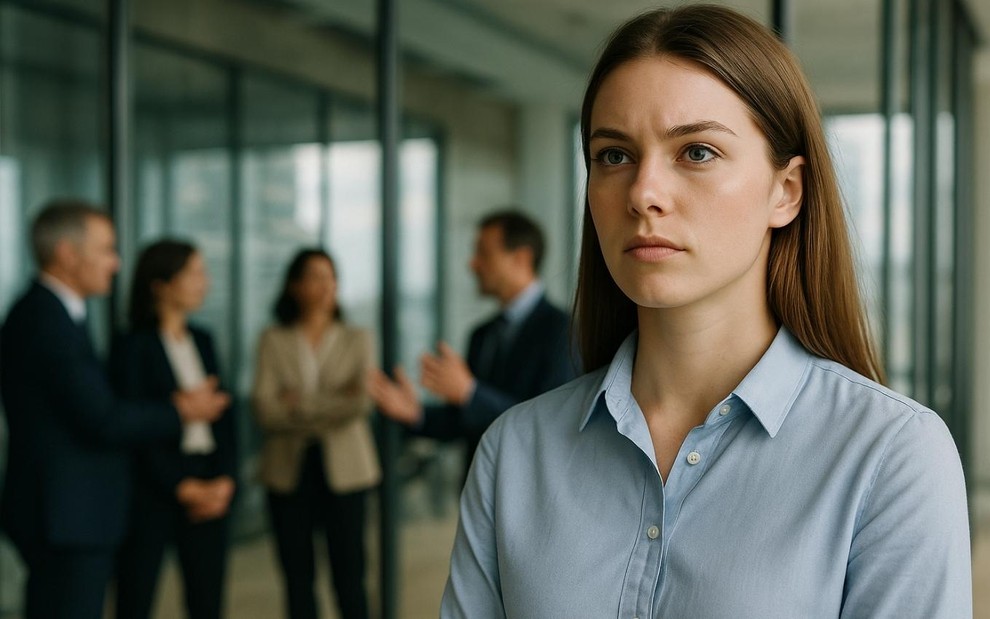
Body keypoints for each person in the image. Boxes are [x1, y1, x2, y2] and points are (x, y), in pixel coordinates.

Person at [441, 6, 971, 618]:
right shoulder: (515, 453)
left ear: (786, 191)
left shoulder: (890, 456)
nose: (643, 193)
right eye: (614, 156)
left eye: (696, 152)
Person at [0, 199, 229, 619]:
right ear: (68, 253)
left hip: (71, 513)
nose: (116, 263)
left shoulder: (59, 316)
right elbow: (101, 418)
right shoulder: (45, 321)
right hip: (66, 517)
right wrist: (180, 410)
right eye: (106, 249)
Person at [368, 210, 576, 479]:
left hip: (534, 490)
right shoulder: (482, 334)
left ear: (521, 259)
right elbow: (466, 420)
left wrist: (470, 392)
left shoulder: (564, 331)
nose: (472, 264)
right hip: (481, 492)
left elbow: (549, 425)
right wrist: (416, 414)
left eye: (483, 254)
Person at [110, 239, 238, 619]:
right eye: (194, 273)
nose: (205, 283)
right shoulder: (132, 346)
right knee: (137, 597)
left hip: (209, 477)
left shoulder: (203, 339)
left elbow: (225, 419)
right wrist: (181, 487)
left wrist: (225, 479)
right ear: (161, 285)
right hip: (155, 488)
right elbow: (133, 427)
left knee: (207, 600)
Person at [252, 249, 380, 619]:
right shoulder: (273, 339)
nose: (326, 286)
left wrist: (296, 403)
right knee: (297, 577)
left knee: (350, 577)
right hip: (289, 470)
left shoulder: (358, 338)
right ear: (294, 285)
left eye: (332, 277)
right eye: (315, 277)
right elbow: (264, 408)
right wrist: (331, 402)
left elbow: (360, 404)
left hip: (348, 470)